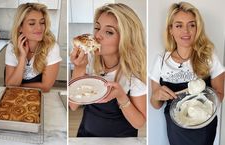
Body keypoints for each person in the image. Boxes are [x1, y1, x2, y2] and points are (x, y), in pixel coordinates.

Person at [149, 2, 225, 145]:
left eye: (191, 25)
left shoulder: (209, 57)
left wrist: (203, 98)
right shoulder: (161, 61)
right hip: (176, 127)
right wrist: (156, 95)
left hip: (203, 125)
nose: (186, 31)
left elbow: (220, 95)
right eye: (179, 25)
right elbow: (156, 105)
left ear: (198, 28)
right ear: (170, 29)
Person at [69, 3, 146, 137]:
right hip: (85, 136)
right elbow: (73, 105)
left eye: (109, 32)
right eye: (97, 28)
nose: (97, 35)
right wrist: (79, 68)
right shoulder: (90, 62)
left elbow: (139, 123)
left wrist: (121, 97)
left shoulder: (134, 75)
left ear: (126, 39)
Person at [5, 3, 62, 92]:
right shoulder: (11, 47)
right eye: (32, 23)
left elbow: (46, 87)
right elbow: (9, 85)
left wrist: (17, 85)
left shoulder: (52, 47)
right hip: (14, 97)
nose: (39, 27)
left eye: (42, 22)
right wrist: (22, 57)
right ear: (20, 27)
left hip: (37, 98)